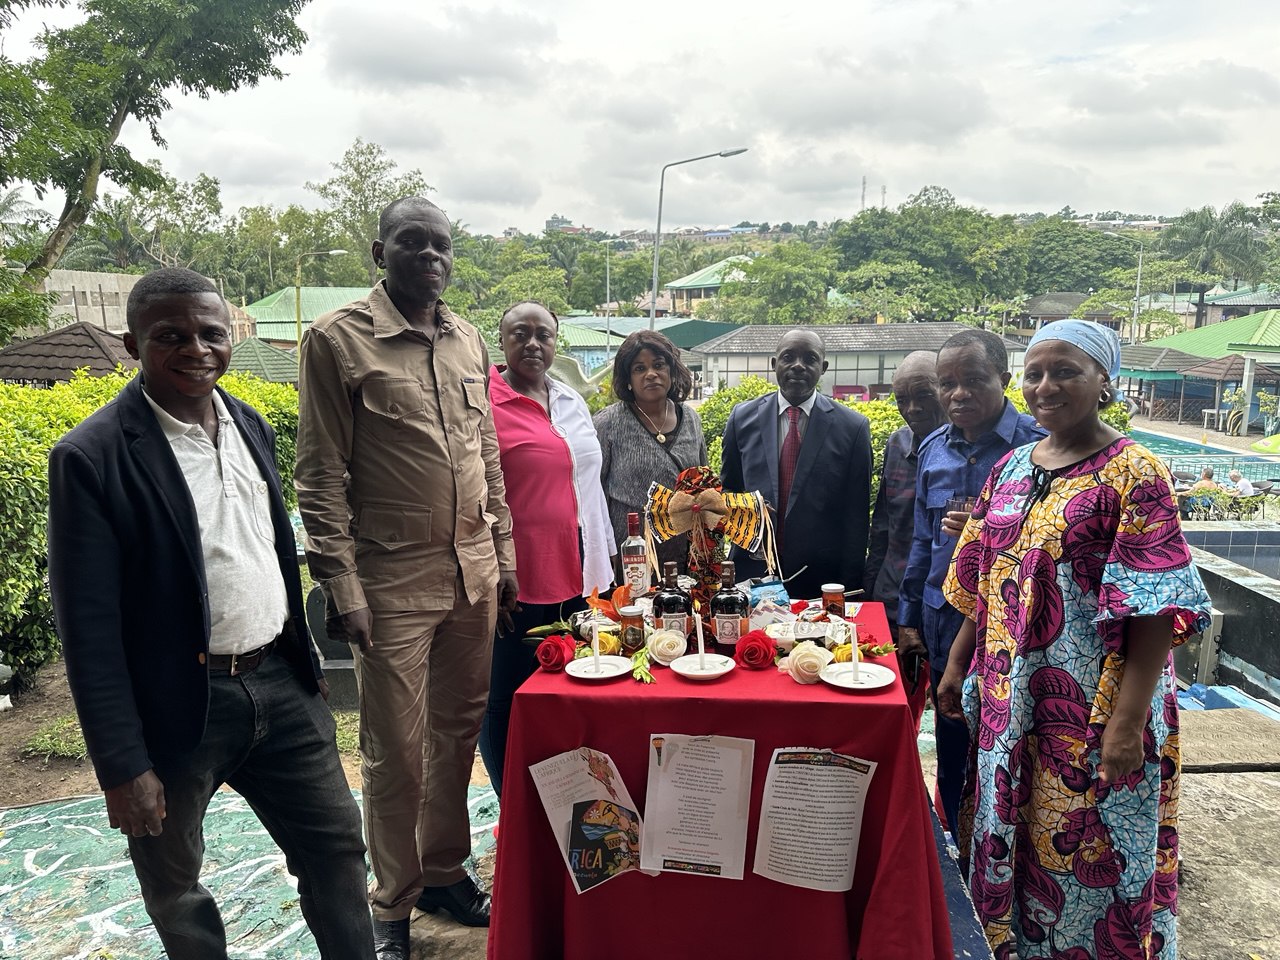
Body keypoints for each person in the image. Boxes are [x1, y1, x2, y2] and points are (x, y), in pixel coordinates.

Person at [47, 268, 374, 960]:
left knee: (339, 851)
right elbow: (89, 630)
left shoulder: (249, 422)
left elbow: (270, 549)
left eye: (210, 332)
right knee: (176, 889)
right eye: (171, 336)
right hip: (175, 711)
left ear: (230, 338)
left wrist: (306, 661)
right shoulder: (91, 457)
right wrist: (120, 766)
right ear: (133, 344)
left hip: (282, 688)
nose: (196, 348)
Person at [938, 319, 1211, 959]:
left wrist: (1126, 724)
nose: (1045, 386)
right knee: (1011, 846)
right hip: (1013, 706)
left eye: (1066, 371)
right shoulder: (1010, 469)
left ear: (1104, 381)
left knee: (1094, 860)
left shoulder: (1135, 474)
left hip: (1095, 710)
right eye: (1035, 373)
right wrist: (957, 665)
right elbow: (982, 580)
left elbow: (1153, 612)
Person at [295, 197, 518, 958]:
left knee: (457, 737)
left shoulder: (466, 337)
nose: (429, 255)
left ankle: (445, 872)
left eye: (441, 245)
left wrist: (506, 560)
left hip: (473, 573)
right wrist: (343, 586)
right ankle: (390, 904)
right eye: (410, 242)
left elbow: (486, 455)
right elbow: (320, 475)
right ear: (378, 251)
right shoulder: (337, 339)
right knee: (395, 750)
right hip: (390, 581)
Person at [898, 328, 1045, 839]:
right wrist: (909, 619)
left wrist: (991, 530)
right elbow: (921, 541)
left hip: (1012, 626)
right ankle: (953, 851)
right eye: (947, 384)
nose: (958, 394)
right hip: (943, 620)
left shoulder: (1040, 447)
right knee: (952, 739)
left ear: (1004, 380)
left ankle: (1001, 851)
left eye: (973, 381)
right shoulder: (934, 450)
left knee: (1012, 749)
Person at [479, 301, 615, 796]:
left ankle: (562, 797)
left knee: (567, 689)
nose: (533, 344)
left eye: (544, 335)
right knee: (506, 698)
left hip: (579, 572)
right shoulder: (485, 404)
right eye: (521, 333)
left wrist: (607, 560)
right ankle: (509, 803)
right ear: (502, 340)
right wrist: (490, 568)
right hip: (518, 577)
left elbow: (588, 488)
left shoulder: (569, 399)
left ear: (557, 343)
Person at [720, 328, 873, 601]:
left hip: (820, 579)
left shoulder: (852, 428)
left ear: (823, 367)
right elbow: (727, 493)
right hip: (752, 573)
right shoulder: (741, 418)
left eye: (810, 358)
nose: (798, 366)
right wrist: (748, 508)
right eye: (788, 357)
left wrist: (849, 589)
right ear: (774, 364)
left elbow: (857, 517)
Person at [864, 351, 946, 726]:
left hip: (952, 610)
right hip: (895, 599)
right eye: (901, 399)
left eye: (924, 395)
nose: (912, 408)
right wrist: (869, 593)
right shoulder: (898, 443)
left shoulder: (985, 454)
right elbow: (883, 522)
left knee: (953, 711)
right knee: (897, 710)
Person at [594, 329, 707, 572]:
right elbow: (594, 494)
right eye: (639, 369)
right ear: (628, 378)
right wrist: (603, 551)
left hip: (686, 557)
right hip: (630, 557)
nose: (651, 374)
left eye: (658, 365)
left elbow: (704, 486)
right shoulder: (608, 423)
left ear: (671, 370)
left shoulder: (691, 419)